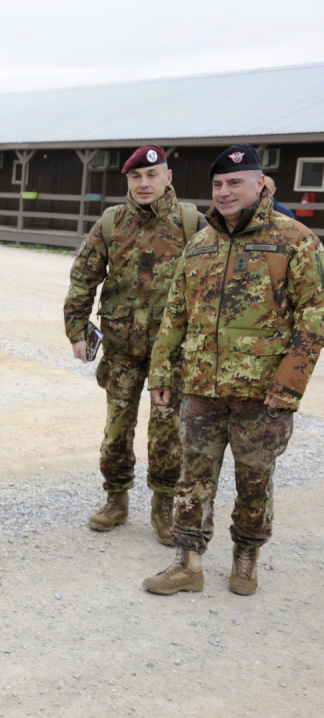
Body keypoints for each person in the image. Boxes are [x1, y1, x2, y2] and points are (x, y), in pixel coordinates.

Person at [143, 144, 324, 595]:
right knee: (193, 478)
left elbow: (313, 319)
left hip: (262, 396)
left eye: (235, 183)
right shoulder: (201, 244)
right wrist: (163, 376)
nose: (225, 192)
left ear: (259, 184)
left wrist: (287, 387)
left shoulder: (296, 241)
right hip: (201, 388)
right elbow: (176, 314)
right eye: (219, 184)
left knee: (254, 480)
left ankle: (247, 556)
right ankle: (188, 563)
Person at [63, 145, 201, 544]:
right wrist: (77, 330)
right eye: (136, 177)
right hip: (120, 347)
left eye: (152, 176)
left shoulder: (192, 223)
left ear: (167, 178)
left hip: (170, 352)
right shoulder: (111, 222)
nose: (144, 184)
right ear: (128, 180)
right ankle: (116, 500)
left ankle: (162, 508)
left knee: (168, 433)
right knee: (117, 430)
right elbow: (83, 276)